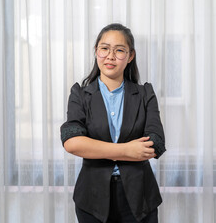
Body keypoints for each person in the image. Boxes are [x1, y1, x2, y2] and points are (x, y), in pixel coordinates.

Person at [60, 23, 166, 223]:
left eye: (119, 50)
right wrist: (127, 150)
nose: (110, 56)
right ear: (96, 51)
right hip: (92, 199)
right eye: (104, 48)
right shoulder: (80, 95)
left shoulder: (145, 94)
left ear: (130, 56)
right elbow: (72, 142)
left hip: (139, 198)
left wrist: (94, 147)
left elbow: (155, 143)